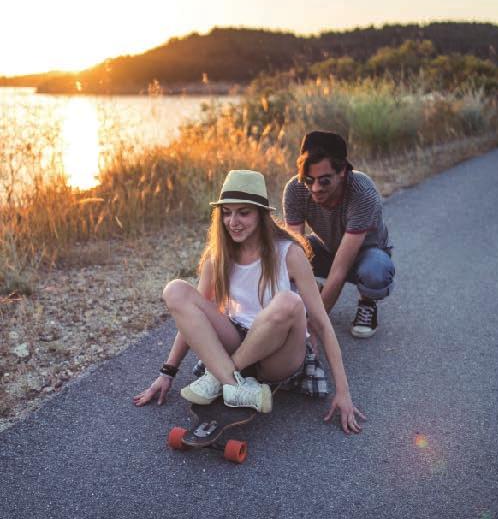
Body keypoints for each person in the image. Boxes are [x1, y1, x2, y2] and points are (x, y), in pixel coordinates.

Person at [133, 169, 365, 434]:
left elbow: (321, 323)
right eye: (228, 213)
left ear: (261, 215)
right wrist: (167, 373)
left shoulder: (289, 253)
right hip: (238, 339)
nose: (233, 221)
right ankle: (235, 384)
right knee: (176, 290)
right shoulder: (217, 257)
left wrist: (343, 392)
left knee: (289, 301)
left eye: (244, 212)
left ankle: (223, 376)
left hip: (279, 354)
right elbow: (193, 319)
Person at [283, 131, 395, 339]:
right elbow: (293, 251)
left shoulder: (363, 193)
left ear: (342, 170)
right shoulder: (295, 189)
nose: (315, 188)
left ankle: (367, 301)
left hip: (365, 253)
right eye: (309, 180)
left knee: (375, 271)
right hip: (327, 247)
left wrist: (313, 328)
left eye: (324, 181)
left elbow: (340, 271)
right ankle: (314, 289)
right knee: (283, 253)